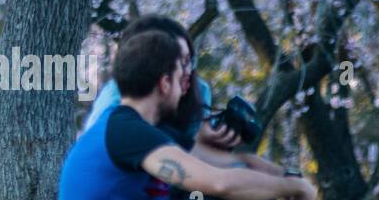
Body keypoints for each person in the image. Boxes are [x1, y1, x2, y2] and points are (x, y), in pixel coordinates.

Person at [59, 29, 314, 200]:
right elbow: (221, 184)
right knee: (221, 194)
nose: (186, 87)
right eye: (181, 77)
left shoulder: (136, 129)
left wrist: (288, 177)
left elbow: (234, 164)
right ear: (165, 83)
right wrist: (293, 188)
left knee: (233, 190)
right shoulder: (126, 131)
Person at [84, 15, 286, 176]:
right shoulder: (115, 100)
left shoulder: (198, 90)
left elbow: (197, 165)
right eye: (177, 62)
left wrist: (206, 145)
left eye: (189, 60)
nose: (186, 70)